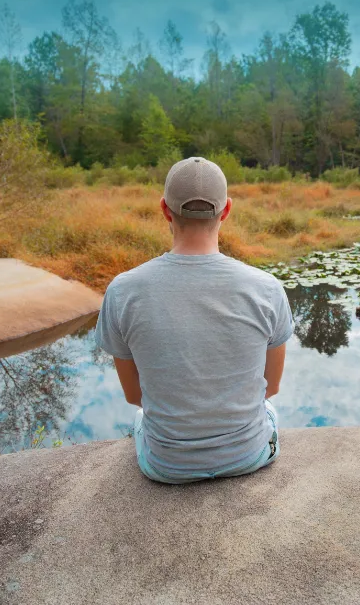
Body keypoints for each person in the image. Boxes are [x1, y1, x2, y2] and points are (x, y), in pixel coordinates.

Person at [95, 157, 294, 484]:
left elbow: (136, 397)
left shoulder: (123, 291)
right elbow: (270, 388)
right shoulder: (267, 288)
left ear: (164, 209)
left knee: (141, 415)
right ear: (227, 210)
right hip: (249, 456)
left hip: (165, 467)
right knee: (269, 411)